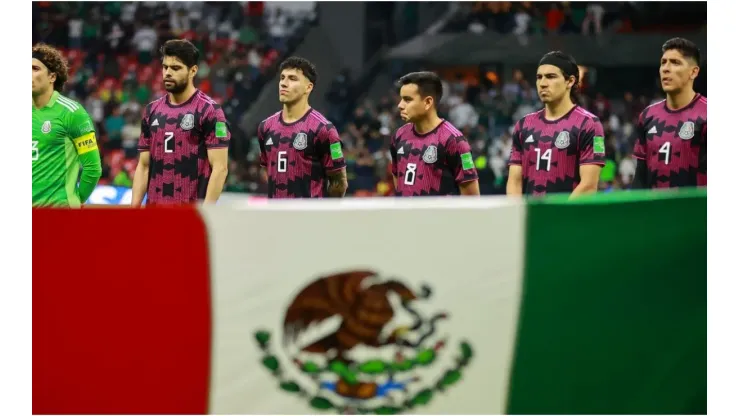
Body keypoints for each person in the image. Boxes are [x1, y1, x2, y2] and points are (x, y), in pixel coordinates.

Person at [132, 39, 230, 206]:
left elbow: (220, 169)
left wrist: (205, 214)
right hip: (154, 215)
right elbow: (143, 166)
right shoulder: (151, 111)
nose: (168, 73)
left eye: (175, 68)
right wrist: (134, 209)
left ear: (193, 71)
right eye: (165, 67)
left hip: (189, 216)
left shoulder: (210, 111)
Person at [507, 51, 605, 197]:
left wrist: (557, 217)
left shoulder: (589, 124)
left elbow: (588, 186)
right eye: (539, 77)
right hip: (531, 217)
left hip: (566, 218)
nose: (543, 83)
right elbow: (514, 182)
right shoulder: (524, 125)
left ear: (570, 81)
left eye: (551, 77)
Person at [257, 57, 347, 198]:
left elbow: (339, 183)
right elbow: (265, 169)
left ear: (308, 87)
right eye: (282, 78)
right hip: (275, 217)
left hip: (309, 218)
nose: (284, 84)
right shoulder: (266, 127)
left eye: (292, 79)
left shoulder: (324, 129)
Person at [32, 43, 102, 207]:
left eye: (35, 69)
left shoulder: (72, 113)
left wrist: (76, 201)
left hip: (58, 214)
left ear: (52, 77)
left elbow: (93, 168)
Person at [632, 38, 706, 189]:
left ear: (693, 72)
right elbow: (640, 177)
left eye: (675, 63)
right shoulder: (648, 116)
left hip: (695, 211)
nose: (666, 68)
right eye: (663, 62)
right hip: (654, 211)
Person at [390, 71, 480, 197]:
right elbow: (398, 182)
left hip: (441, 217)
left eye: (407, 100)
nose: (400, 105)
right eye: (401, 99)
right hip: (404, 216)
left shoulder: (455, 140)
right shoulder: (399, 135)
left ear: (427, 102)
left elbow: (472, 199)